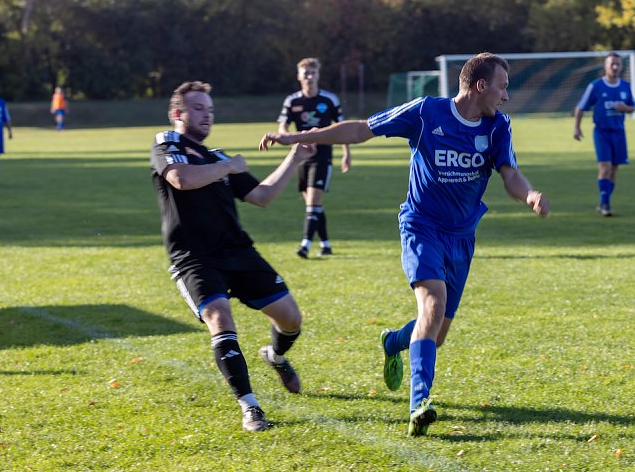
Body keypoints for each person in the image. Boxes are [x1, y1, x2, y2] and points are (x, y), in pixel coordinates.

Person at [260, 53, 549, 437]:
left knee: (436, 332)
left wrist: (528, 195)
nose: (506, 96)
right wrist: (298, 136)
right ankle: (419, 404)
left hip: (462, 236)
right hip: (421, 226)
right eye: (503, 86)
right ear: (481, 85)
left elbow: (509, 174)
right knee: (432, 305)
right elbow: (361, 129)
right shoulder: (427, 112)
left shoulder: (498, 127)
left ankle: (395, 341)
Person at [151, 81, 317, 432]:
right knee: (219, 317)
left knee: (291, 320)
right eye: (198, 108)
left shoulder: (219, 157)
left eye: (210, 109)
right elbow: (181, 179)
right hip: (194, 258)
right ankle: (250, 407)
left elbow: (262, 196)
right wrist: (227, 168)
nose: (207, 115)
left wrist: (295, 157)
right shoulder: (166, 146)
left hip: (237, 251)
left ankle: (276, 355)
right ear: (178, 114)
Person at [276, 57, 351, 258]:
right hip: (301, 156)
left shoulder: (329, 100)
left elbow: (342, 129)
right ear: (299, 76)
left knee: (314, 200)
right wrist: (286, 135)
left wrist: (346, 154)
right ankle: (326, 244)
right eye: (306, 73)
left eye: (313, 73)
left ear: (319, 75)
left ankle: (305, 245)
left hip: (323, 155)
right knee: (312, 203)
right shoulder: (292, 101)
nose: (310, 77)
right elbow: (283, 124)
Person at [573, 53, 635, 217]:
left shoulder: (625, 86)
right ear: (605, 66)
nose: (615, 67)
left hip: (619, 133)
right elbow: (580, 108)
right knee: (605, 167)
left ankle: (604, 201)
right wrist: (577, 128)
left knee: (614, 171)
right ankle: (605, 204)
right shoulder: (595, 86)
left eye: (617, 64)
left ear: (621, 66)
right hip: (601, 133)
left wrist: (625, 108)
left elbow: (633, 106)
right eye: (611, 64)